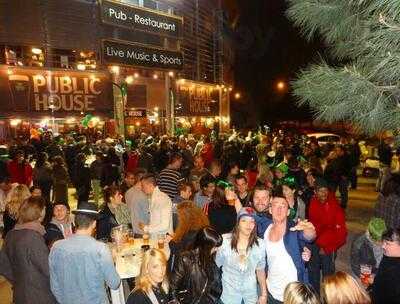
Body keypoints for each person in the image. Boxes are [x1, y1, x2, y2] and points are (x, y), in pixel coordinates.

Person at [49, 201, 120, 304]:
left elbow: (55, 287)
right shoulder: (100, 249)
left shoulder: (56, 247)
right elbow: (115, 283)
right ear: (94, 224)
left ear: (76, 222)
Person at [0, 196, 57, 304]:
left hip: (19, 294)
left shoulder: (11, 234)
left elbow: (3, 265)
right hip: (39, 296)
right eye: (44, 208)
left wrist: (18, 281)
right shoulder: (33, 237)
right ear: (39, 212)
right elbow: (48, 270)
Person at [264, 193, 316, 304]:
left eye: (283, 206)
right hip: (271, 289)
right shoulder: (266, 229)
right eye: (275, 205)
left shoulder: (294, 229)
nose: (279, 209)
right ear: (270, 210)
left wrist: (309, 228)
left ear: (288, 212)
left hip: (292, 295)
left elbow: (309, 236)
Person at [216, 207, 267, 304]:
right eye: (244, 221)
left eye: (252, 221)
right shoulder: (225, 241)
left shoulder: (260, 244)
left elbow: (260, 270)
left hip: (250, 296)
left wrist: (264, 294)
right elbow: (215, 265)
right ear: (238, 223)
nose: (248, 225)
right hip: (229, 296)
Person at [308, 178, 347, 292]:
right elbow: (313, 224)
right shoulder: (313, 203)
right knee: (313, 271)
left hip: (328, 245)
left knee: (328, 276)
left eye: (326, 190)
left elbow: (341, 232)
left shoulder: (334, 206)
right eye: (320, 190)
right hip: (314, 242)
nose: (324, 193)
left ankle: (328, 298)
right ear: (315, 192)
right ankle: (314, 296)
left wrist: (328, 247)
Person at [170, 227, 223, 304]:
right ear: (206, 246)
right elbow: (173, 288)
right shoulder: (186, 259)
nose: (217, 249)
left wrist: (211, 300)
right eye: (215, 247)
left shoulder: (213, 259)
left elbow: (215, 287)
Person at [168, 201, 210, 269]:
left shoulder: (191, 234)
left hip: (186, 268)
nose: (179, 218)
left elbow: (178, 251)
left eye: (180, 216)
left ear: (186, 218)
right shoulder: (201, 227)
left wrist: (171, 241)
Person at [371, 228, 400, 304]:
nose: (383, 246)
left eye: (387, 243)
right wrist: (375, 278)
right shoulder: (387, 256)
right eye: (383, 242)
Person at [125, 168, 149, 236]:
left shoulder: (128, 192)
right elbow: (148, 215)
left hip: (133, 229)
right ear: (142, 180)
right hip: (143, 231)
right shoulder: (143, 195)